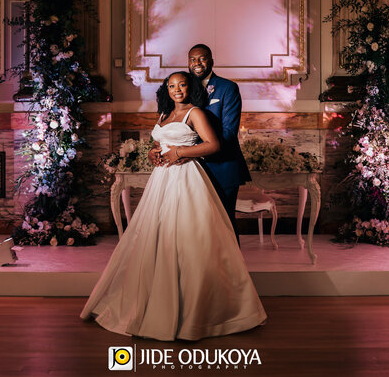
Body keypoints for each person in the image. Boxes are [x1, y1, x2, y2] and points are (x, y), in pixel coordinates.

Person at [81, 72, 266, 341]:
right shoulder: (164, 115)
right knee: (157, 237)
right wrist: (153, 151)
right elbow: (159, 143)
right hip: (162, 180)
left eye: (182, 85)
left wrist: (179, 152)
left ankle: (194, 311)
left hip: (187, 177)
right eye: (171, 86)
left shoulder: (195, 113)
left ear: (190, 88)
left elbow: (213, 145)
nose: (177, 89)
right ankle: (156, 301)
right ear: (165, 90)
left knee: (189, 239)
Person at [150, 44, 251, 242]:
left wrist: (186, 152)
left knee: (224, 226)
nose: (197, 63)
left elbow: (229, 133)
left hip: (220, 167)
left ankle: (231, 272)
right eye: (192, 59)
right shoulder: (180, 90)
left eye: (202, 58)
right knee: (192, 230)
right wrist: (155, 149)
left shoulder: (227, 88)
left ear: (211, 60)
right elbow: (168, 128)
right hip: (187, 173)